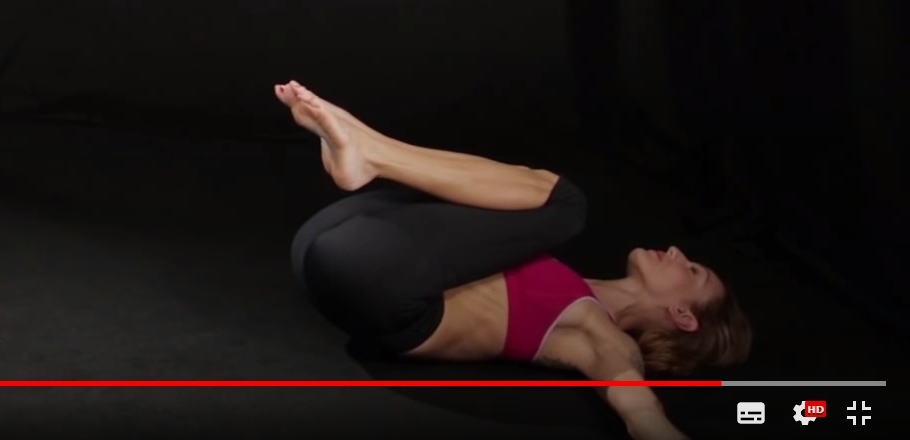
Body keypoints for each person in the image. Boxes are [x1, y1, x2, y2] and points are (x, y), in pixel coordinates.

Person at [279, 81, 752, 440]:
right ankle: (364, 145)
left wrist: (655, 428)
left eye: (693, 272)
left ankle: (369, 149)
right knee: (517, 205)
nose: (678, 254)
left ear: (683, 315)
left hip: (379, 285)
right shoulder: (561, 274)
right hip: (334, 245)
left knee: (567, 204)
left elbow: (633, 398)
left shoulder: (596, 329)